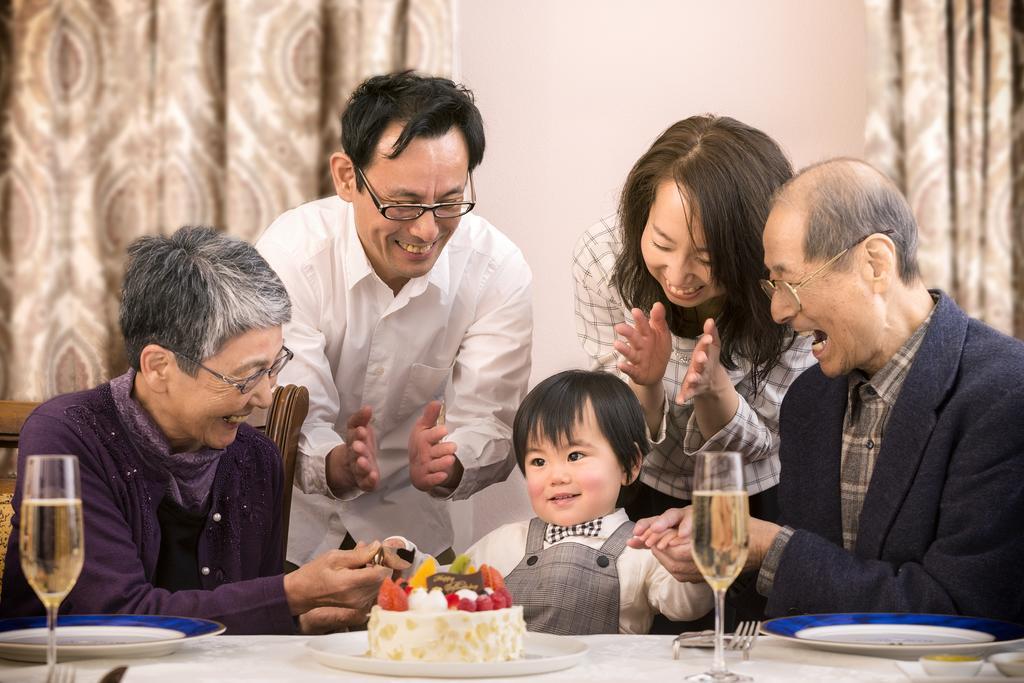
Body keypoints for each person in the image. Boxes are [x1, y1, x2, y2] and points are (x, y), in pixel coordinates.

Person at [631, 158, 1024, 623]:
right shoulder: (809, 402)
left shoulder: (1005, 392)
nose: (778, 310)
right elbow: (805, 600)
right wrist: (720, 546)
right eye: (772, 284)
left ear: (875, 264)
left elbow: (962, 612)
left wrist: (767, 547)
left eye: (791, 283)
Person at [0, 227, 406, 634]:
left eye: (273, 367)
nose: (266, 397)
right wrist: (291, 595)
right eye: (246, 376)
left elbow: (245, 635)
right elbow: (114, 615)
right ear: (159, 366)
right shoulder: (68, 437)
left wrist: (300, 620)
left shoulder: (254, 458)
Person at [255, 72, 532, 567]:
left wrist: (452, 463)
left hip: (415, 535)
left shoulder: (497, 270)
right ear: (346, 177)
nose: (426, 230)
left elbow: (491, 420)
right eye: (402, 204)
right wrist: (338, 466)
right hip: (291, 534)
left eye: (449, 202)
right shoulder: (292, 254)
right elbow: (287, 408)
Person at [573, 116, 815, 527]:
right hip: (643, 482)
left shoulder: (789, 284)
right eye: (662, 244)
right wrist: (644, 383)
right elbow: (615, 432)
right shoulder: (603, 257)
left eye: (706, 258)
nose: (679, 276)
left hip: (754, 492)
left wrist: (714, 388)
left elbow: (766, 438)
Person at [395, 370, 712, 635]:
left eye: (575, 456)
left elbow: (686, 604)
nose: (556, 476)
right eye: (538, 461)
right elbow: (450, 583)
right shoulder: (508, 542)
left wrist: (695, 559)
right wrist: (407, 560)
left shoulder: (642, 548)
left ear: (629, 465)